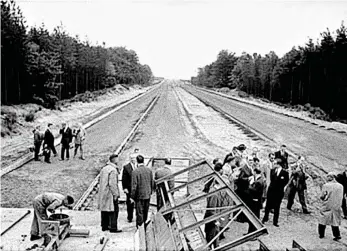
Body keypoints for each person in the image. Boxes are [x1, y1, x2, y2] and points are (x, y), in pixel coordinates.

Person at [98, 154, 122, 233]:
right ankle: (113, 227)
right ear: (115, 160)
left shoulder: (104, 169)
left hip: (103, 192)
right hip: (110, 194)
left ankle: (104, 226)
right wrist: (116, 194)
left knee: (104, 210)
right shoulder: (113, 170)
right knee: (113, 210)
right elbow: (112, 184)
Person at [262, 159, 289, 227]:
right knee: (268, 206)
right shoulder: (273, 171)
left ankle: (275, 221)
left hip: (279, 192)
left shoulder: (285, 173)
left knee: (277, 207)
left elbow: (286, 181)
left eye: (275, 163)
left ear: (278, 164)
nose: (274, 165)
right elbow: (271, 179)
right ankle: (265, 218)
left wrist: (280, 187)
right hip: (271, 190)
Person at [131, 155, 155, 228]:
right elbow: (152, 182)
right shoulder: (149, 170)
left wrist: (132, 196)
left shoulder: (135, 171)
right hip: (147, 194)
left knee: (139, 212)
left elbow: (134, 186)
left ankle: (140, 227)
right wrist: (150, 191)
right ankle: (144, 224)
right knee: (145, 210)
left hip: (139, 195)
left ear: (137, 161)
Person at [318, 172, 343, 241]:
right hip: (337, 205)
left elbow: (323, 196)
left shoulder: (326, 185)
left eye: (328, 176)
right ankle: (337, 235)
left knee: (322, 219)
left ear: (331, 177)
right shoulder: (340, 186)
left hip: (327, 204)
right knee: (335, 220)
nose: (327, 178)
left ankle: (321, 234)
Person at [204, 179, 223, 249]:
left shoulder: (214, 191)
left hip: (212, 220)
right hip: (212, 222)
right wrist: (216, 221)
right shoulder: (214, 194)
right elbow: (211, 209)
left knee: (213, 240)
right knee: (212, 240)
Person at [246, 167, 265, 233]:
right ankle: (251, 231)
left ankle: (252, 232)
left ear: (254, 172)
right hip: (256, 201)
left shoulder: (258, 182)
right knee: (254, 216)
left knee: (253, 217)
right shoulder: (260, 180)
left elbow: (254, 190)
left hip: (255, 201)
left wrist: (250, 184)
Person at [122, 153, 137, 223]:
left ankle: (138, 217)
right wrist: (124, 188)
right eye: (132, 158)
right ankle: (130, 217)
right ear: (130, 159)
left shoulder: (138, 166)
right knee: (130, 203)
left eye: (134, 158)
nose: (133, 160)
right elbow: (124, 178)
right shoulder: (126, 167)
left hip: (137, 188)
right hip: (129, 188)